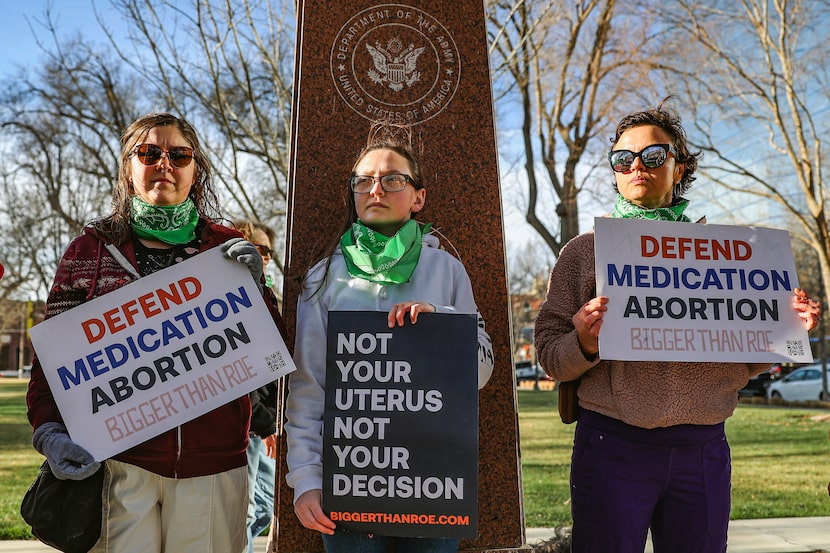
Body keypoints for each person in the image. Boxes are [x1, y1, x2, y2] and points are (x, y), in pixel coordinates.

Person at [533, 103, 822, 553]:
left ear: (679, 166)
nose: (636, 167)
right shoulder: (582, 252)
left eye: (653, 156)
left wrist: (786, 330)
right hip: (611, 445)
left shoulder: (730, 254)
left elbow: (744, 359)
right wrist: (584, 342)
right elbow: (550, 354)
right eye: (623, 158)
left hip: (703, 450)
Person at [26, 112, 286, 553]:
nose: (164, 163)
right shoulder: (89, 249)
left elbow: (272, 354)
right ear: (128, 167)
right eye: (148, 153)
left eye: (179, 154)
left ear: (195, 168)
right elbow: (53, 360)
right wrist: (48, 431)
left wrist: (259, 289)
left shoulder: (224, 248)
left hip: (215, 465)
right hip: (120, 464)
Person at [284, 124, 495, 553]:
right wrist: (305, 480)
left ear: (418, 197)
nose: (375, 189)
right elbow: (309, 386)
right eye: (363, 181)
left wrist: (443, 326)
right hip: (350, 479)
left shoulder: (447, 270)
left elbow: (482, 373)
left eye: (392, 179)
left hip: (433, 482)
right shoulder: (325, 276)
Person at [232, 219, 281, 553]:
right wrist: (265, 424)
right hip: (248, 426)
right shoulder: (234, 297)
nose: (264, 257)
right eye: (258, 249)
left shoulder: (267, 296)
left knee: (263, 505)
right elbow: (237, 372)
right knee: (245, 513)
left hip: (266, 424)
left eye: (268, 252)